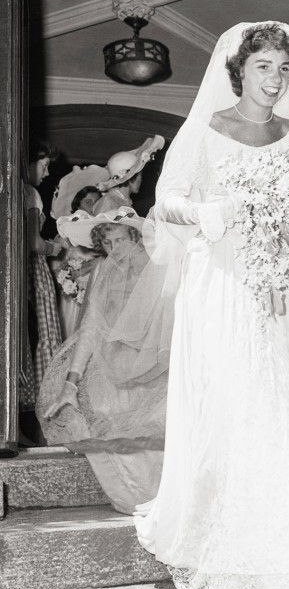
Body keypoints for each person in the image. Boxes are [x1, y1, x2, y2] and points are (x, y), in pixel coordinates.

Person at [133, 22, 289, 589]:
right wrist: (218, 210)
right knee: (237, 406)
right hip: (224, 288)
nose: (276, 79)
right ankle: (230, 543)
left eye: (284, 69)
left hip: (286, 292)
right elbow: (168, 201)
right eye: (264, 66)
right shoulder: (206, 130)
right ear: (239, 72)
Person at [39, 207, 170, 514]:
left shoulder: (159, 267)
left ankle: (163, 500)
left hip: (157, 365)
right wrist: (71, 381)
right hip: (112, 364)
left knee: (156, 430)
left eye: (121, 240)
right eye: (108, 244)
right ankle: (135, 500)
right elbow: (91, 326)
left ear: (136, 237)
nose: (115, 250)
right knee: (101, 414)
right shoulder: (104, 269)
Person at [24, 140, 64, 403]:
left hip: (22, 268)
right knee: (41, 329)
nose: (47, 173)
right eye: (45, 166)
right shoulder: (29, 192)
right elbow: (35, 244)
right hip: (32, 269)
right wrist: (55, 247)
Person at [50, 166, 110, 338]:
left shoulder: (103, 234)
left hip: (95, 296)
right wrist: (71, 278)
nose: (93, 208)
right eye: (88, 202)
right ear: (78, 205)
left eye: (96, 203)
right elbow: (55, 265)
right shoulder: (66, 232)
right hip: (71, 297)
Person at [94, 136, 164, 214]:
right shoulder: (108, 201)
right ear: (132, 177)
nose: (141, 179)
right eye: (140, 175)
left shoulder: (123, 200)